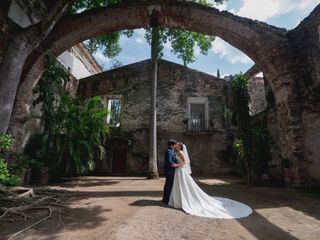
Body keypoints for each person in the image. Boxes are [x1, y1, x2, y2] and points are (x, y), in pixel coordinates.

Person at [168, 142, 252, 219]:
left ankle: (184, 201)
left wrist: (177, 165)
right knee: (178, 185)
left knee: (183, 185)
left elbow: (185, 162)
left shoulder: (181, 153)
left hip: (180, 170)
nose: (176, 145)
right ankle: (178, 201)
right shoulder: (176, 152)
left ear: (180, 146)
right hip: (178, 171)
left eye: (177, 144)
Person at [162, 139, 179, 204]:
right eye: (175, 145)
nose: (176, 146)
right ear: (172, 145)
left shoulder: (172, 151)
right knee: (168, 185)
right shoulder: (168, 151)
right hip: (169, 171)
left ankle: (167, 198)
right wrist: (177, 165)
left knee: (170, 185)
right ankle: (166, 200)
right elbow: (169, 161)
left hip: (172, 171)